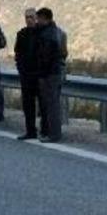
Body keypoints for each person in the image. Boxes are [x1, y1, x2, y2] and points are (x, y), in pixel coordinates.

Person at [35, 8, 65, 143]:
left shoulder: (48, 35)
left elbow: (45, 57)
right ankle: (52, 132)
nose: (37, 21)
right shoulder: (56, 32)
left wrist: (42, 73)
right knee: (52, 104)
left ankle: (53, 134)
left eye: (39, 18)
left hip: (50, 74)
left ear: (44, 18)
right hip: (54, 72)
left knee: (52, 105)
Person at [14, 9, 41, 140]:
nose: (29, 19)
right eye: (27, 17)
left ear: (36, 18)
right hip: (26, 75)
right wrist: (21, 69)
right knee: (28, 105)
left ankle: (45, 130)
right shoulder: (21, 34)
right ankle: (30, 130)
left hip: (39, 75)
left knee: (43, 104)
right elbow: (17, 53)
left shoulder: (42, 33)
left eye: (31, 17)